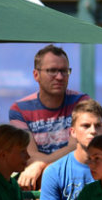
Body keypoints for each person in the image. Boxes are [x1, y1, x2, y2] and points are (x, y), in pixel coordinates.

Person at [9, 45, 90, 189]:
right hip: (36, 178)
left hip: (75, 174)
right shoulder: (19, 109)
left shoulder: (81, 102)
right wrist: (40, 165)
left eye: (64, 71)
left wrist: (42, 164)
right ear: (36, 75)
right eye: (52, 71)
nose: (59, 77)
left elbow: (75, 147)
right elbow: (30, 154)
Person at [39, 99, 102, 200]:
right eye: (86, 126)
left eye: (97, 126)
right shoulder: (54, 172)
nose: (93, 131)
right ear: (72, 132)